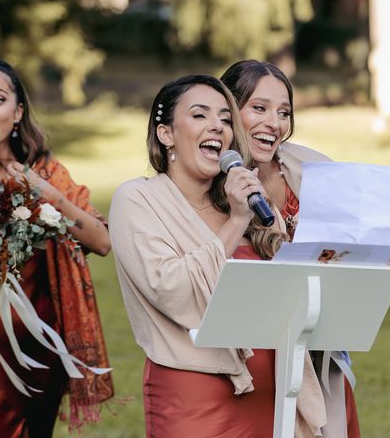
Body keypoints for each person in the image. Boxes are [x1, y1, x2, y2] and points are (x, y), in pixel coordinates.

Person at [109, 74, 327, 437]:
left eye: (226, 119)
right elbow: (172, 290)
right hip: (192, 396)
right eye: (200, 116)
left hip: (273, 393)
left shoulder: (247, 202)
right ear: (166, 134)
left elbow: (290, 289)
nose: (217, 127)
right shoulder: (138, 200)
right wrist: (235, 223)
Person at [0, 59, 113, 437]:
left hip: (41, 339)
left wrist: (47, 194)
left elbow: (102, 240)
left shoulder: (47, 171)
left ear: (19, 111)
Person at [221, 59, 360, 437]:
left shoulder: (313, 169)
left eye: (284, 112)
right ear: (229, 111)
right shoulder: (211, 181)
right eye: (259, 108)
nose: (275, 123)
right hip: (255, 362)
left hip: (321, 346)